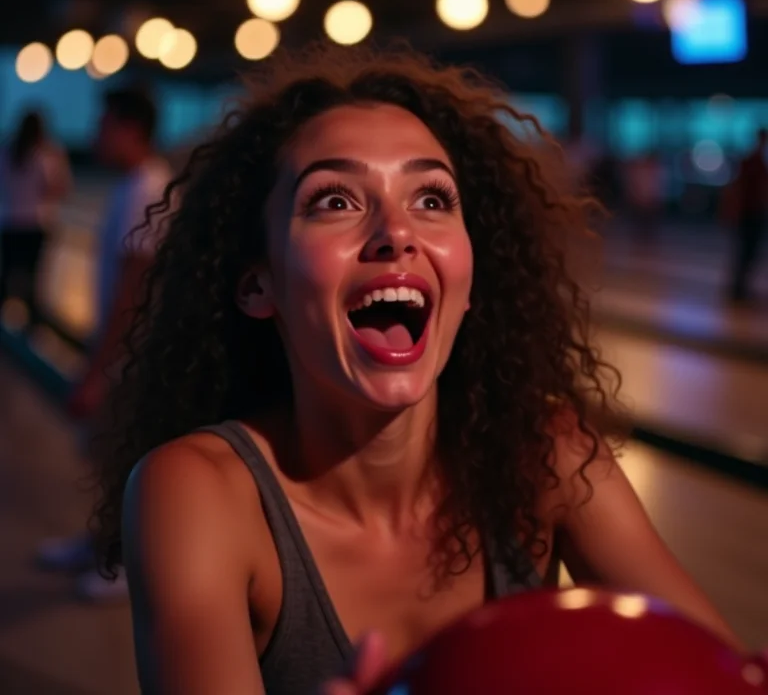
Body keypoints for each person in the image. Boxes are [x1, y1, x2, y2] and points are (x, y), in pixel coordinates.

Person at [89, 46, 739, 694]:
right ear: (258, 284)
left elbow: (726, 677)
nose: (396, 232)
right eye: (335, 200)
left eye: (431, 198)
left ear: (469, 279)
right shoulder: (200, 493)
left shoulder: (546, 456)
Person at [36, 87, 172, 602]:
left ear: (130, 129)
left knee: (124, 460)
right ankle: (98, 543)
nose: (95, 133)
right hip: (122, 354)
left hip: (129, 357)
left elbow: (131, 293)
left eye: (104, 124)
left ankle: (120, 562)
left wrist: (97, 370)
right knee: (104, 455)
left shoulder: (147, 189)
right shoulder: (132, 185)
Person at [0, 110, 72, 328]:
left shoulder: (7, 151)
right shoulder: (47, 154)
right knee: (33, 275)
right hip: (36, 222)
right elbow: (58, 188)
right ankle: (31, 324)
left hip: (10, 220)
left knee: (8, 272)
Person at [722, 128, 768, 303]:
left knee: (747, 254)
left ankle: (739, 288)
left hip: (753, 213)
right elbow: (739, 190)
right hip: (750, 214)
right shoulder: (751, 162)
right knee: (746, 253)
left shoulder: (755, 162)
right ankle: (737, 290)